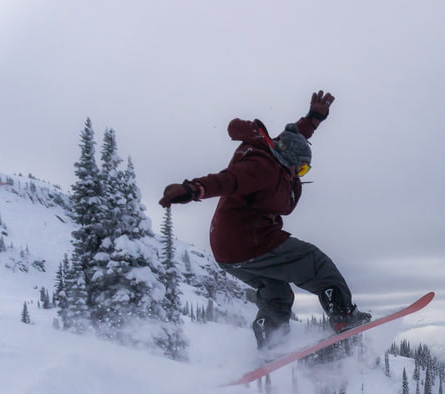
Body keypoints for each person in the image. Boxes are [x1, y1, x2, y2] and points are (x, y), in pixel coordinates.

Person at [159, 90, 370, 350]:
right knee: (316, 264)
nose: (299, 174)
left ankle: (271, 342)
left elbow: (291, 139)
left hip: (228, 252)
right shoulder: (263, 167)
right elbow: (229, 180)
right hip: (252, 242)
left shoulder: (275, 154)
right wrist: (193, 189)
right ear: (289, 161)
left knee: (277, 294)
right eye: (301, 167)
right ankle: (343, 317)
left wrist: (313, 118)